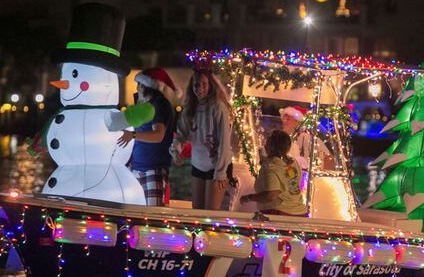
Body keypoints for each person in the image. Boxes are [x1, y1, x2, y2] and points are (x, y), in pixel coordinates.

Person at [116, 68, 180, 206]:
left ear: (145, 86)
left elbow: (158, 135)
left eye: (139, 85)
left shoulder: (159, 105)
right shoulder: (144, 106)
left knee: (151, 217)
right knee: (133, 214)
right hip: (135, 168)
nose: (137, 88)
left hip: (153, 169)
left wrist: (132, 135)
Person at [175, 69, 235, 210]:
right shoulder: (190, 108)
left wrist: (221, 171)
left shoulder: (218, 107)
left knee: (210, 213)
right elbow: (181, 134)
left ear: (210, 86)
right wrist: (176, 150)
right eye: (196, 84)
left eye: (204, 84)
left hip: (217, 164)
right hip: (198, 164)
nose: (199, 88)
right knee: (197, 212)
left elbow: (224, 142)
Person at [240, 130, 306, 216]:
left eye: (267, 142)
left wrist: (248, 197)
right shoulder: (293, 163)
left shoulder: (270, 166)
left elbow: (272, 195)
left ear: (271, 146)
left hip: (279, 214)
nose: (264, 145)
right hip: (299, 212)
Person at [279, 105, 312, 171]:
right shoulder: (279, 137)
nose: (284, 121)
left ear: (296, 123)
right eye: (283, 119)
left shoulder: (305, 137)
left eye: (288, 119)